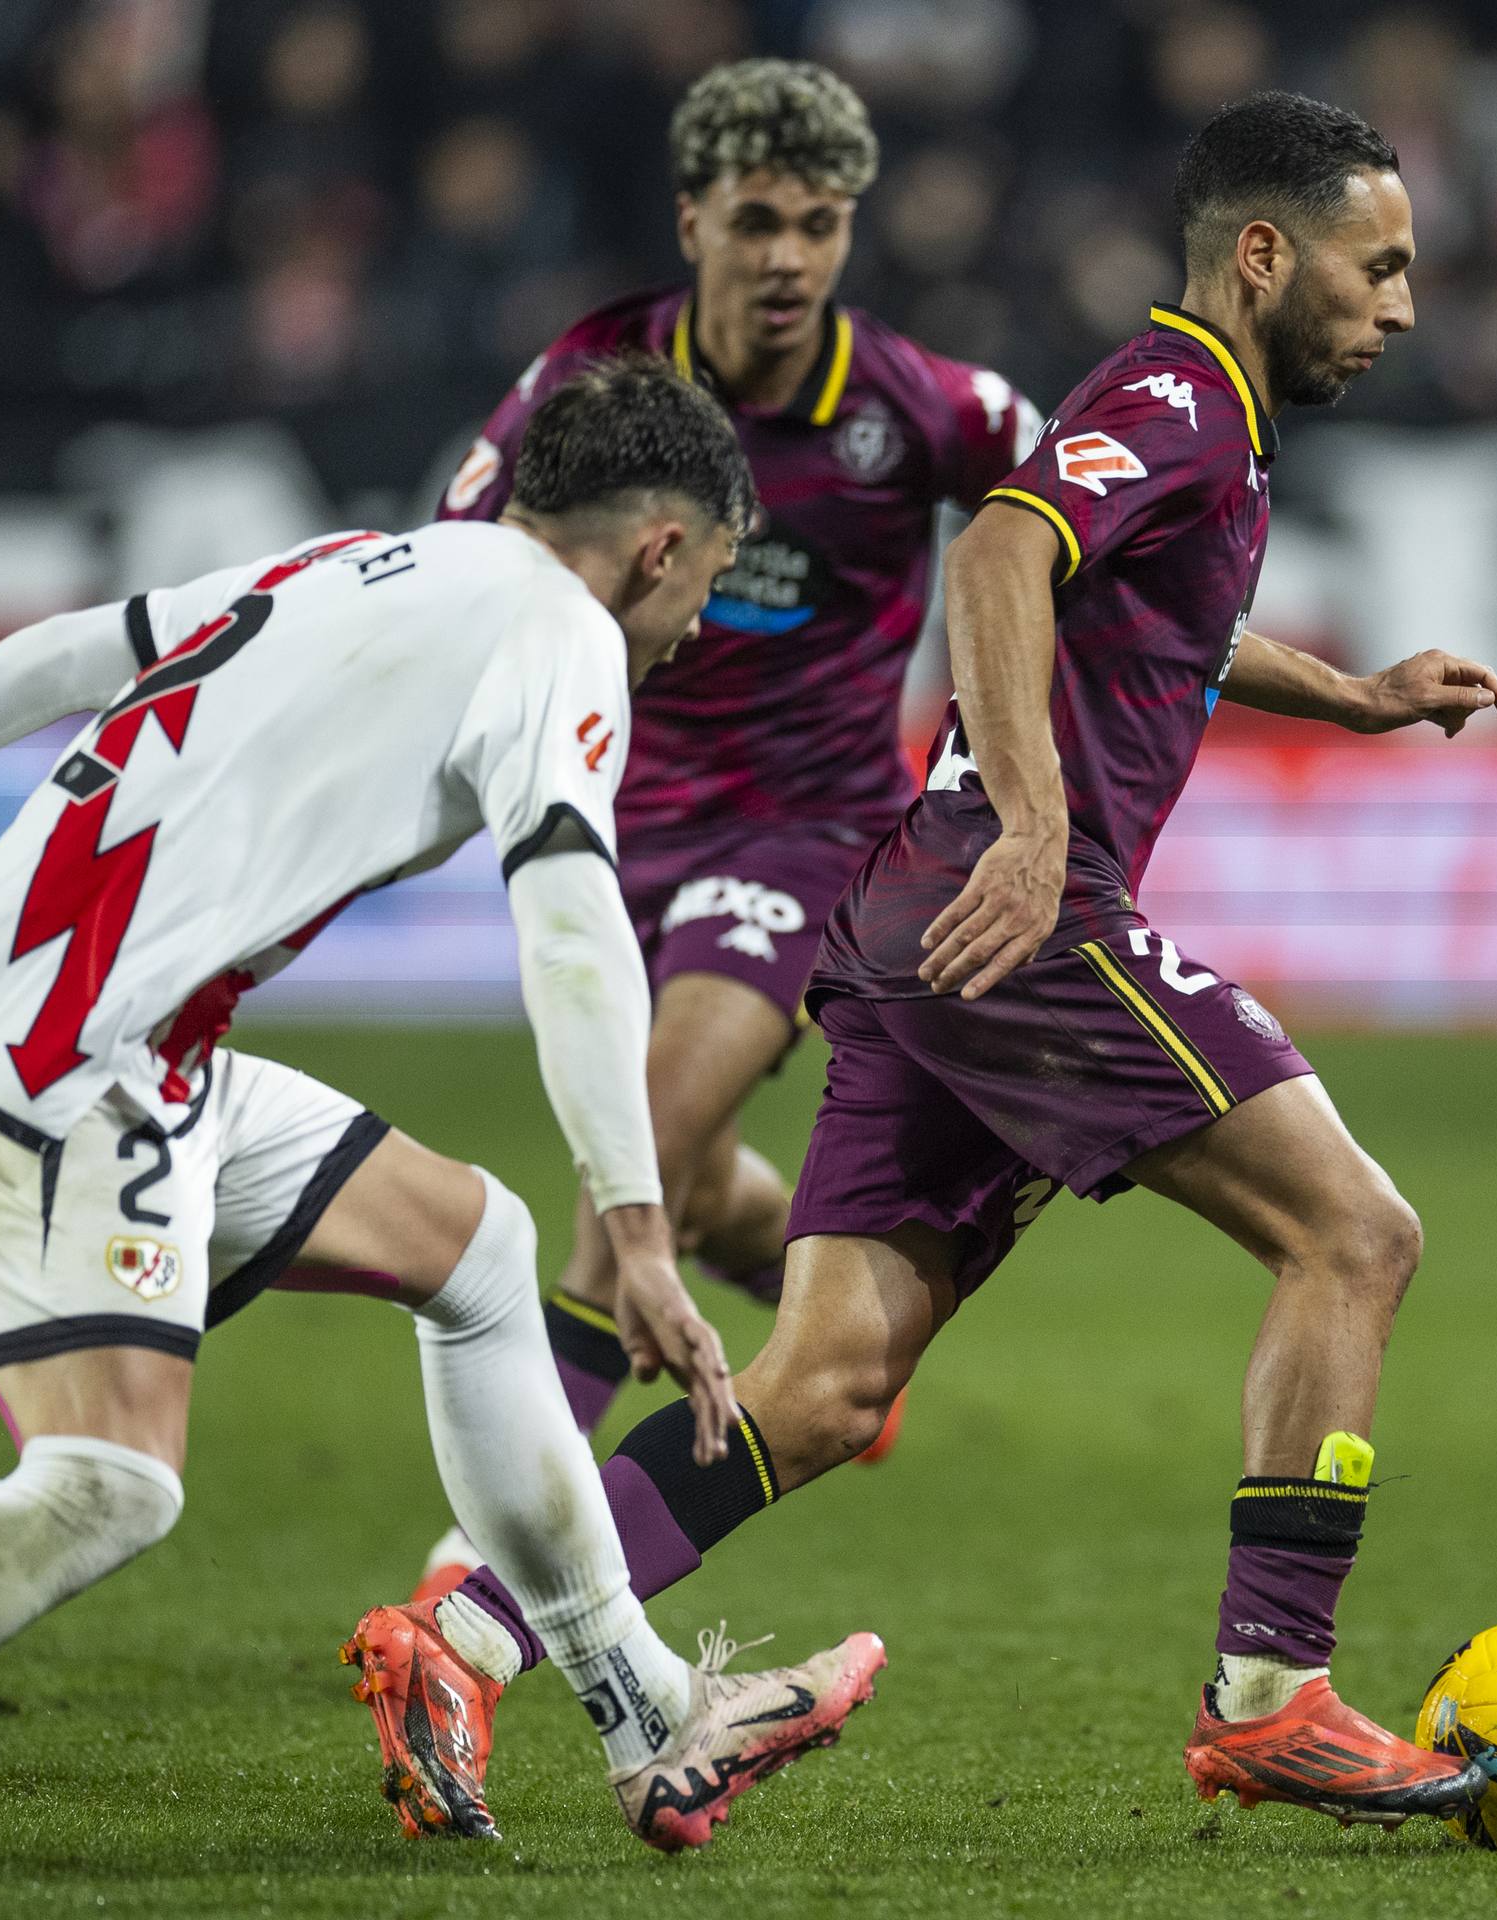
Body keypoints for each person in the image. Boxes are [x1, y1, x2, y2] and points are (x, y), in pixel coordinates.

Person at [0, 359, 882, 1894]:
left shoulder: (357, 562)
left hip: (114, 1041)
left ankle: (648, 1716)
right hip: (75, 1060)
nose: (689, 634)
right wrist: (644, 1224)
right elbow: (571, 921)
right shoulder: (562, 633)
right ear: (662, 546)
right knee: (110, 1486)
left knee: (477, 1249)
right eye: (708, 589)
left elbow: (78, 650)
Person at [427, 91, 1497, 1828]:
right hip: (1022, 918)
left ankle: (465, 1632)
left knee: (825, 1385)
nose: (1399, 304)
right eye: (1376, 266)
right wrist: (1029, 822)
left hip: (918, 920)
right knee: (1354, 1235)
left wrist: (1361, 694)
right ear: (1264, 252)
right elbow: (1006, 552)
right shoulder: (1177, 394)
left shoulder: (1197, 417)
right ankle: (1273, 1690)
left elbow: (1160, 620)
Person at [419, 59, 1039, 1507]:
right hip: (608, 828)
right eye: (758, 220)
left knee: (622, 1167)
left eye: (819, 225)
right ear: (692, 217)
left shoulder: (915, 407)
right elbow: (460, 551)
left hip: (808, 834)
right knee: (684, 1183)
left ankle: (487, 1576)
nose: (788, 259)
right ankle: (831, 1336)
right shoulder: (592, 380)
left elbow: (1088, 514)